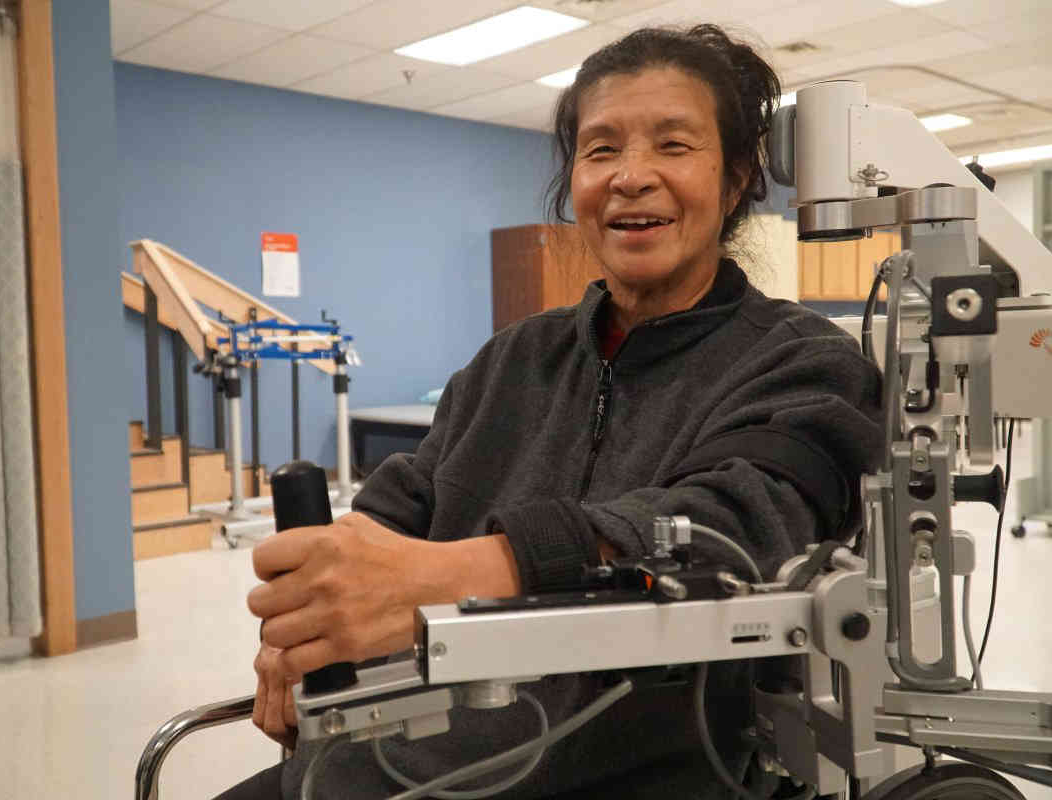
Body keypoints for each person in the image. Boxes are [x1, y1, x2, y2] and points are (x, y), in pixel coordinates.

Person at [219, 23, 883, 800]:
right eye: (601, 149)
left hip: (636, 774)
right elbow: (396, 509)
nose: (631, 176)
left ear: (736, 179)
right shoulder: (512, 359)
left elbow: (734, 529)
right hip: (404, 756)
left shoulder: (806, 363)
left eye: (673, 145)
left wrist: (450, 576)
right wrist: (309, 622)